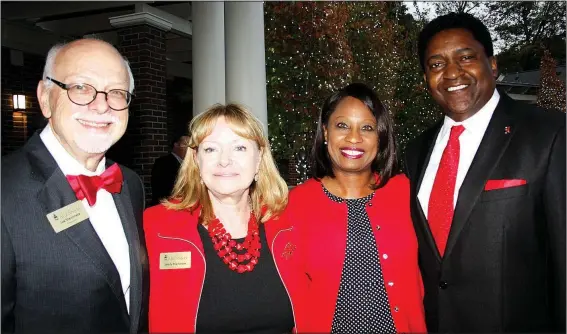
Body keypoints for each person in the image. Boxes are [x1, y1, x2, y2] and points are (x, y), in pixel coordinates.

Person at [405, 12, 566, 333]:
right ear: (426, 78)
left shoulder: (549, 133)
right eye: (436, 64)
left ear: (492, 65)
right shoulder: (414, 151)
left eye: (465, 57)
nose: (452, 72)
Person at [1, 38, 149, 333]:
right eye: (81, 87)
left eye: (116, 92)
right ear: (45, 98)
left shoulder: (130, 185)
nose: (101, 105)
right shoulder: (5, 191)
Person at [144, 103, 301, 333]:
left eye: (239, 148)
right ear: (196, 160)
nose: (224, 160)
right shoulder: (156, 227)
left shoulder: (289, 223)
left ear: (259, 160)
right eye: (211, 149)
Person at [284, 83, 426, 333]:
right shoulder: (293, 204)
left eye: (367, 128)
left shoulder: (408, 192)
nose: (354, 137)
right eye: (342, 125)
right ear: (325, 132)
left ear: (380, 138)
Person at [150, 133, 190, 205]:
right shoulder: (163, 163)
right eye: (185, 144)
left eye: (190, 145)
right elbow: (163, 189)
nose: (188, 148)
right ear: (176, 145)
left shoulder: (189, 164)